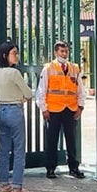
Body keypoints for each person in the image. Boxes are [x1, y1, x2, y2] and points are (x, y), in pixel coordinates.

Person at [36, 40, 86, 179]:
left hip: (70, 109)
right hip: (53, 110)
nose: (64, 54)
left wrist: (80, 106)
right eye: (61, 51)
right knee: (52, 140)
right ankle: (50, 168)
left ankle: (73, 167)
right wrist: (44, 108)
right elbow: (41, 90)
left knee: (71, 140)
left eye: (66, 51)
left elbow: (80, 89)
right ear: (55, 52)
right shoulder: (48, 68)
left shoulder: (75, 68)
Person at [0, 41, 34, 192]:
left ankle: (4, 185)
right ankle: (17, 188)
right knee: (18, 150)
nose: (17, 55)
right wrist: (22, 96)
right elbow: (29, 93)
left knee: (3, 150)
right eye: (14, 53)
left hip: (1, 110)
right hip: (14, 111)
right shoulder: (14, 73)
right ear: (5, 55)